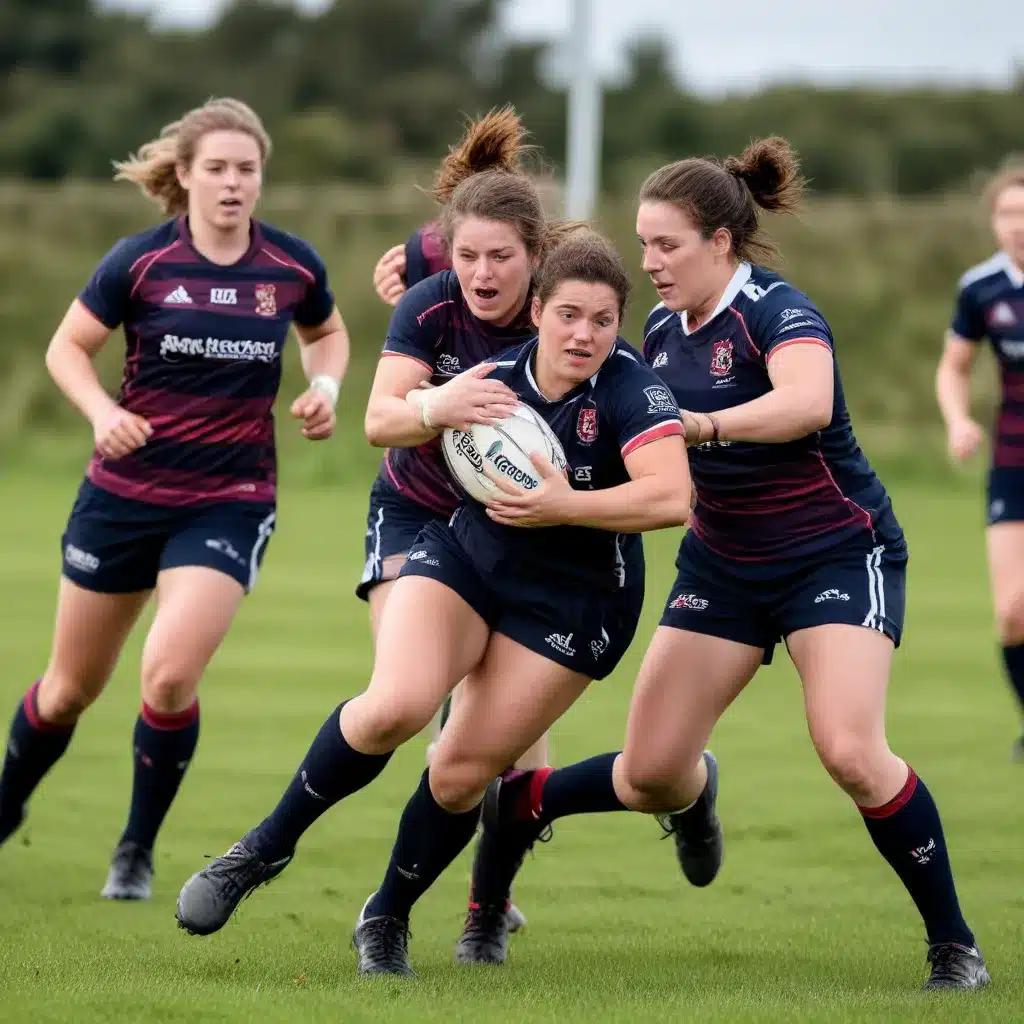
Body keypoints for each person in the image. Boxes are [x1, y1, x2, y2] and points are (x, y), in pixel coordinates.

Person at [456, 137, 990, 993]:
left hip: (834, 554)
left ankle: (954, 947)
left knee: (851, 751)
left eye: (666, 245)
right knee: (650, 774)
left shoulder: (777, 311)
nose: (650, 263)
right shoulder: (660, 331)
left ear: (720, 243)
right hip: (722, 567)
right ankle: (539, 801)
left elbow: (806, 402)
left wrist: (702, 426)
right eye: (644, 243)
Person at [174, 231, 692, 980]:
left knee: (456, 774)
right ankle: (262, 849)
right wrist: (432, 401)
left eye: (602, 320)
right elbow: (389, 416)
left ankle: (386, 915)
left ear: (620, 324)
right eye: (568, 315)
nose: (583, 335)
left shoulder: (630, 389)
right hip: (470, 557)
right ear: (537, 312)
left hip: (575, 602)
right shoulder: (490, 380)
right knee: (394, 706)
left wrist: (565, 505)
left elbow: (672, 497)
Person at [0, 98, 349, 902]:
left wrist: (325, 387)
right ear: (186, 175)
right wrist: (102, 413)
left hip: (229, 499)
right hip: (122, 498)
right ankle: (7, 804)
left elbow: (327, 333)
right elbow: (67, 348)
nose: (233, 183)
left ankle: (135, 849)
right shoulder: (140, 260)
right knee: (68, 690)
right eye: (217, 168)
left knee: (166, 676)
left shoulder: (291, 266)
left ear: (262, 177)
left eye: (247, 170)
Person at [361, 109, 566, 930]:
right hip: (415, 509)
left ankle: (491, 896)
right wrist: (435, 404)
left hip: (514, 525)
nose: (482, 271)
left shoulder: (564, 306)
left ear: (535, 253)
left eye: (501, 256)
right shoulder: (430, 285)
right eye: (466, 254)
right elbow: (380, 416)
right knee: (410, 694)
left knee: (503, 737)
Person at [936, 162, 1024, 759]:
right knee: (1013, 615)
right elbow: (954, 367)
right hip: (1013, 458)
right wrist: (958, 420)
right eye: (1006, 214)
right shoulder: (981, 288)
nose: (1016, 225)